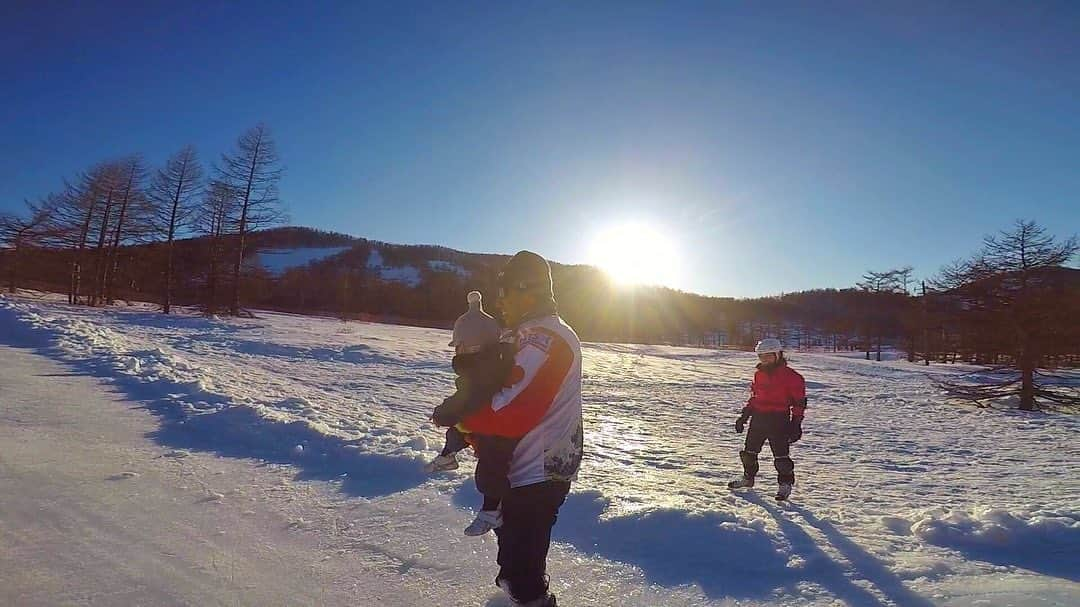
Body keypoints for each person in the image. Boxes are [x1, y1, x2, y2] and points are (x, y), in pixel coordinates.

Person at [458, 250, 583, 607]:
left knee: (520, 573)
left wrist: (466, 418)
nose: (500, 300)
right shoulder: (525, 334)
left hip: (539, 472)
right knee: (511, 563)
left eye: (505, 292)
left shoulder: (547, 338)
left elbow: (511, 410)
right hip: (523, 469)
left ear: (527, 291)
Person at [426, 291, 518, 536]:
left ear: (467, 346)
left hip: (497, 428)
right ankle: (448, 456)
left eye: (458, 346)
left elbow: (469, 398)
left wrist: (443, 413)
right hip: (487, 418)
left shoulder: (482, 368)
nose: (456, 351)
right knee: (459, 430)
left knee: (491, 462)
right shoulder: (487, 363)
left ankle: (491, 510)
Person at [728, 337, 806, 501]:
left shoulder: (792, 377)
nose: (764, 360)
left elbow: (799, 402)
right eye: (761, 357)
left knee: (781, 456)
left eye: (768, 356)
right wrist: (744, 416)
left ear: (777, 354)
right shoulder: (759, 375)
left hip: (779, 420)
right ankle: (748, 479)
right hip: (759, 418)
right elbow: (754, 398)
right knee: (749, 452)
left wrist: (796, 423)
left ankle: (785, 485)